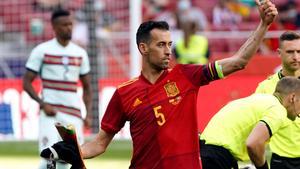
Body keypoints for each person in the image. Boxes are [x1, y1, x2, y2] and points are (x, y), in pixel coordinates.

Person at [40, 0, 277, 168]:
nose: (168, 51)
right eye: (160, 45)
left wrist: (263, 25)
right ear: (143, 48)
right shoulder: (124, 93)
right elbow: (101, 143)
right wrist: (73, 152)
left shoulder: (186, 75)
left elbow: (239, 62)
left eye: (169, 44)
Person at [23, 9, 93, 169]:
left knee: (70, 160)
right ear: (54, 27)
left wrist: (88, 113)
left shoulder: (80, 53)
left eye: (70, 24)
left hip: (74, 114)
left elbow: (88, 87)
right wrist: (42, 103)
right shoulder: (42, 50)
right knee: (49, 158)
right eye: (64, 25)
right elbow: (26, 82)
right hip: (51, 113)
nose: (68, 28)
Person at [200, 77, 300, 169]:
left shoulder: (259, 99)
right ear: (292, 98)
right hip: (217, 156)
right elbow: (253, 143)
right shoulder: (278, 110)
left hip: (206, 151)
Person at [255, 31, 300, 169]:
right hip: (281, 161)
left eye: (299, 51)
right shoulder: (265, 87)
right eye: (290, 52)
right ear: (279, 53)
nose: (296, 57)